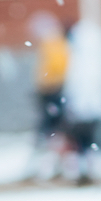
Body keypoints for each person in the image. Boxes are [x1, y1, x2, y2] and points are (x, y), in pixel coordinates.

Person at [60, 17, 101, 184]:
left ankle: (88, 171)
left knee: (87, 141)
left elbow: (73, 83)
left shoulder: (79, 59)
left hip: (86, 107)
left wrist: (72, 102)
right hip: (100, 107)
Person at [26, 12, 71, 180]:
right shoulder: (55, 42)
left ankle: (46, 165)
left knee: (50, 130)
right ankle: (58, 164)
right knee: (55, 130)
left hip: (52, 91)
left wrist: (46, 84)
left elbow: (57, 66)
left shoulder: (51, 42)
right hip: (53, 91)